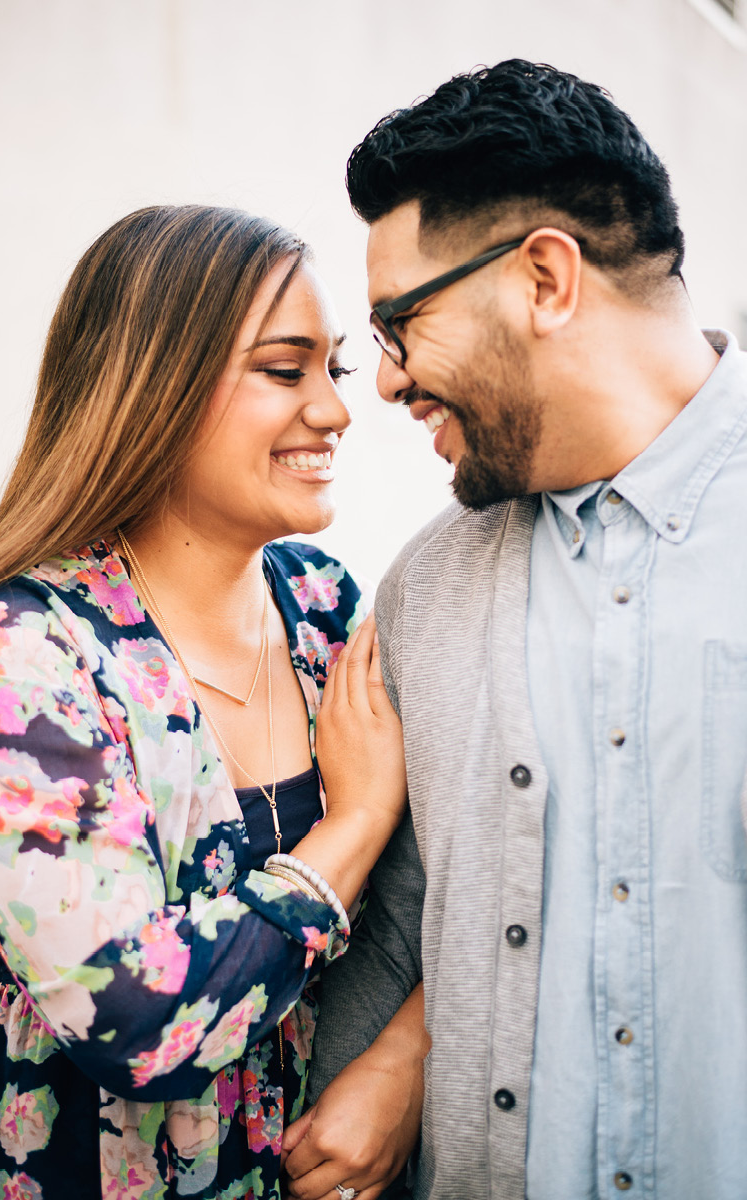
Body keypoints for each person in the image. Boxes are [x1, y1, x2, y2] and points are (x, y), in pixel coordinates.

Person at [282, 59, 747, 1200]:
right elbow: (400, 942)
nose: (381, 385)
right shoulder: (421, 598)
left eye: (400, 322)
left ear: (544, 277)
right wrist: (399, 1052)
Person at [0, 204, 407, 1200]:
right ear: (152, 389)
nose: (333, 410)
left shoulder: (325, 610)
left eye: (330, 370)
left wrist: (403, 1064)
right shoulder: (20, 654)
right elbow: (136, 1021)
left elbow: (450, 892)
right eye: (285, 372)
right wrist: (356, 821)